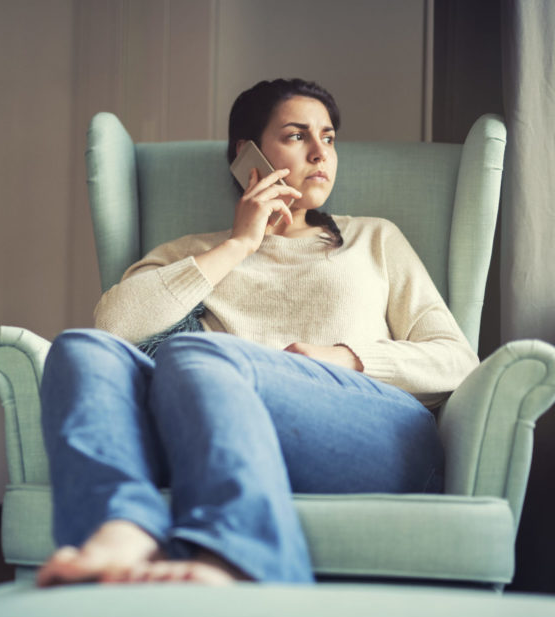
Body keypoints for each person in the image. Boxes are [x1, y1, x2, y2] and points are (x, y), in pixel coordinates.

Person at [36, 78, 479, 587]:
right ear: (248, 154)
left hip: (373, 429)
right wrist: (239, 245)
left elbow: (456, 359)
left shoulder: (373, 238)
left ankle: (238, 560)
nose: (320, 152)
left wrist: (347, 358)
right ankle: (121, 532)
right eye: (297, 136)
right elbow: (113, 326)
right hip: (225, 421)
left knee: (197, 355)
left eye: (329, 138)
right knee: (79, 349)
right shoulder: (194, 253)